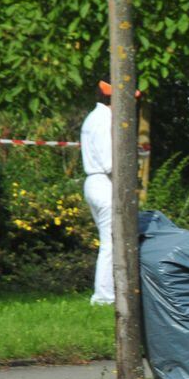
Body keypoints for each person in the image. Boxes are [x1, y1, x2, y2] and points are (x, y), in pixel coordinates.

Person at [80, 80, 114, 305]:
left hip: (95, 182)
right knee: (112, 243)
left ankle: (107, 294)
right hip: (105, 183)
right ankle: (104, 297)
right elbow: (110, 161)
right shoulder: (104, 120)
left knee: (111, 241)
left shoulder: (94, 117)